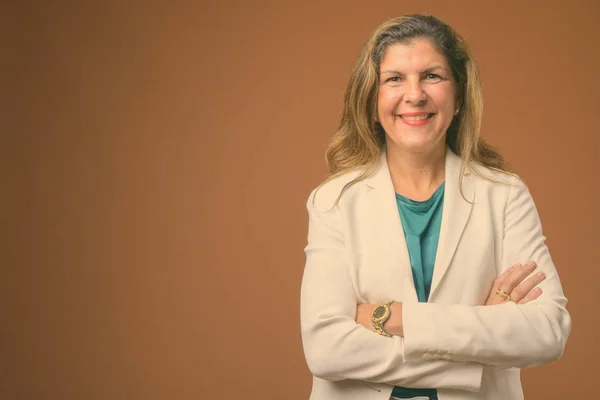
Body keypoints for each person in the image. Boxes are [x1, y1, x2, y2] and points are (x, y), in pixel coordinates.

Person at [300, 14, 571, 400]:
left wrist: (392, 317)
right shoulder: (334, 201)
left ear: (458, 96)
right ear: (372, 97)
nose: (414, 95)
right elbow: (326, 350)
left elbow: (547, 331)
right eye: (394, 79)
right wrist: (481, 340)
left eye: (432, 76)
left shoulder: (505, 195)